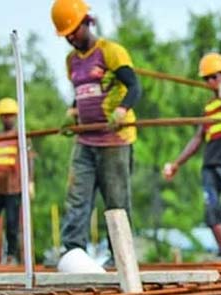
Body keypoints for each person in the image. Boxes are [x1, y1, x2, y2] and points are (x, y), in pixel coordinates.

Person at [51, 0, 142, 265]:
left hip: (115, 140)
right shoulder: (71, 62)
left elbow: (134, 87)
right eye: (65, 34)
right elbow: (81, 94)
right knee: (77, 196)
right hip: (85, 140)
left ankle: (120, 257)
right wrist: (72, 113)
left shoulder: (111, 52)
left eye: (73, 31)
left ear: (87, 22)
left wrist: (123, 110)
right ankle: (73, 253)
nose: (70, 37)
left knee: (116, 200)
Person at [163, 52, 221, 261]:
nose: (211, 81)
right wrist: (176, 164)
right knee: (211, 209)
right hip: (210, 163)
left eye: (215, 77)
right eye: (207, 78)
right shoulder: (208, 107)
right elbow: (197, 138)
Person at [0, 98, 34, 264]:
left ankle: (11, 255)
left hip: (13, 187)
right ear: (0, 117)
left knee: (12, 224)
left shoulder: (20, 137)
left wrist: (30, 182)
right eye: (4, 115)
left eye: (10, 115)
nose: (7, 118)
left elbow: (29, 161)